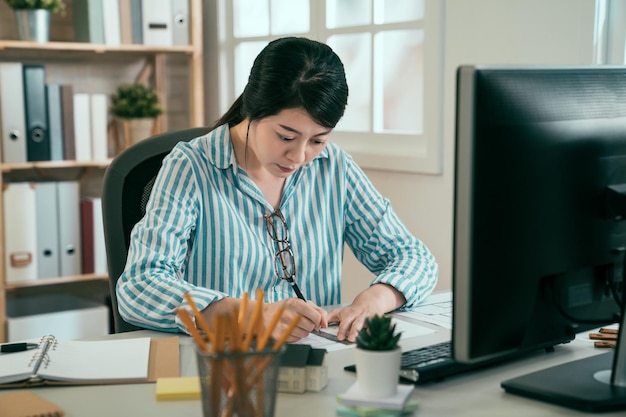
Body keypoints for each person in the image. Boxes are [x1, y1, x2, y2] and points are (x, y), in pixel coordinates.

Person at [116, 36, 438, 343]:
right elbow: (139, 287)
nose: (299, 157)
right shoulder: (191, 168)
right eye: (285, 136)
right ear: (254, 110)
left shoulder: (333, 167)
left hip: (314, 370)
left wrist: (374, 300)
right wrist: (250, 316)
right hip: (226, 374)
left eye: (317, 140)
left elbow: (415, 259)